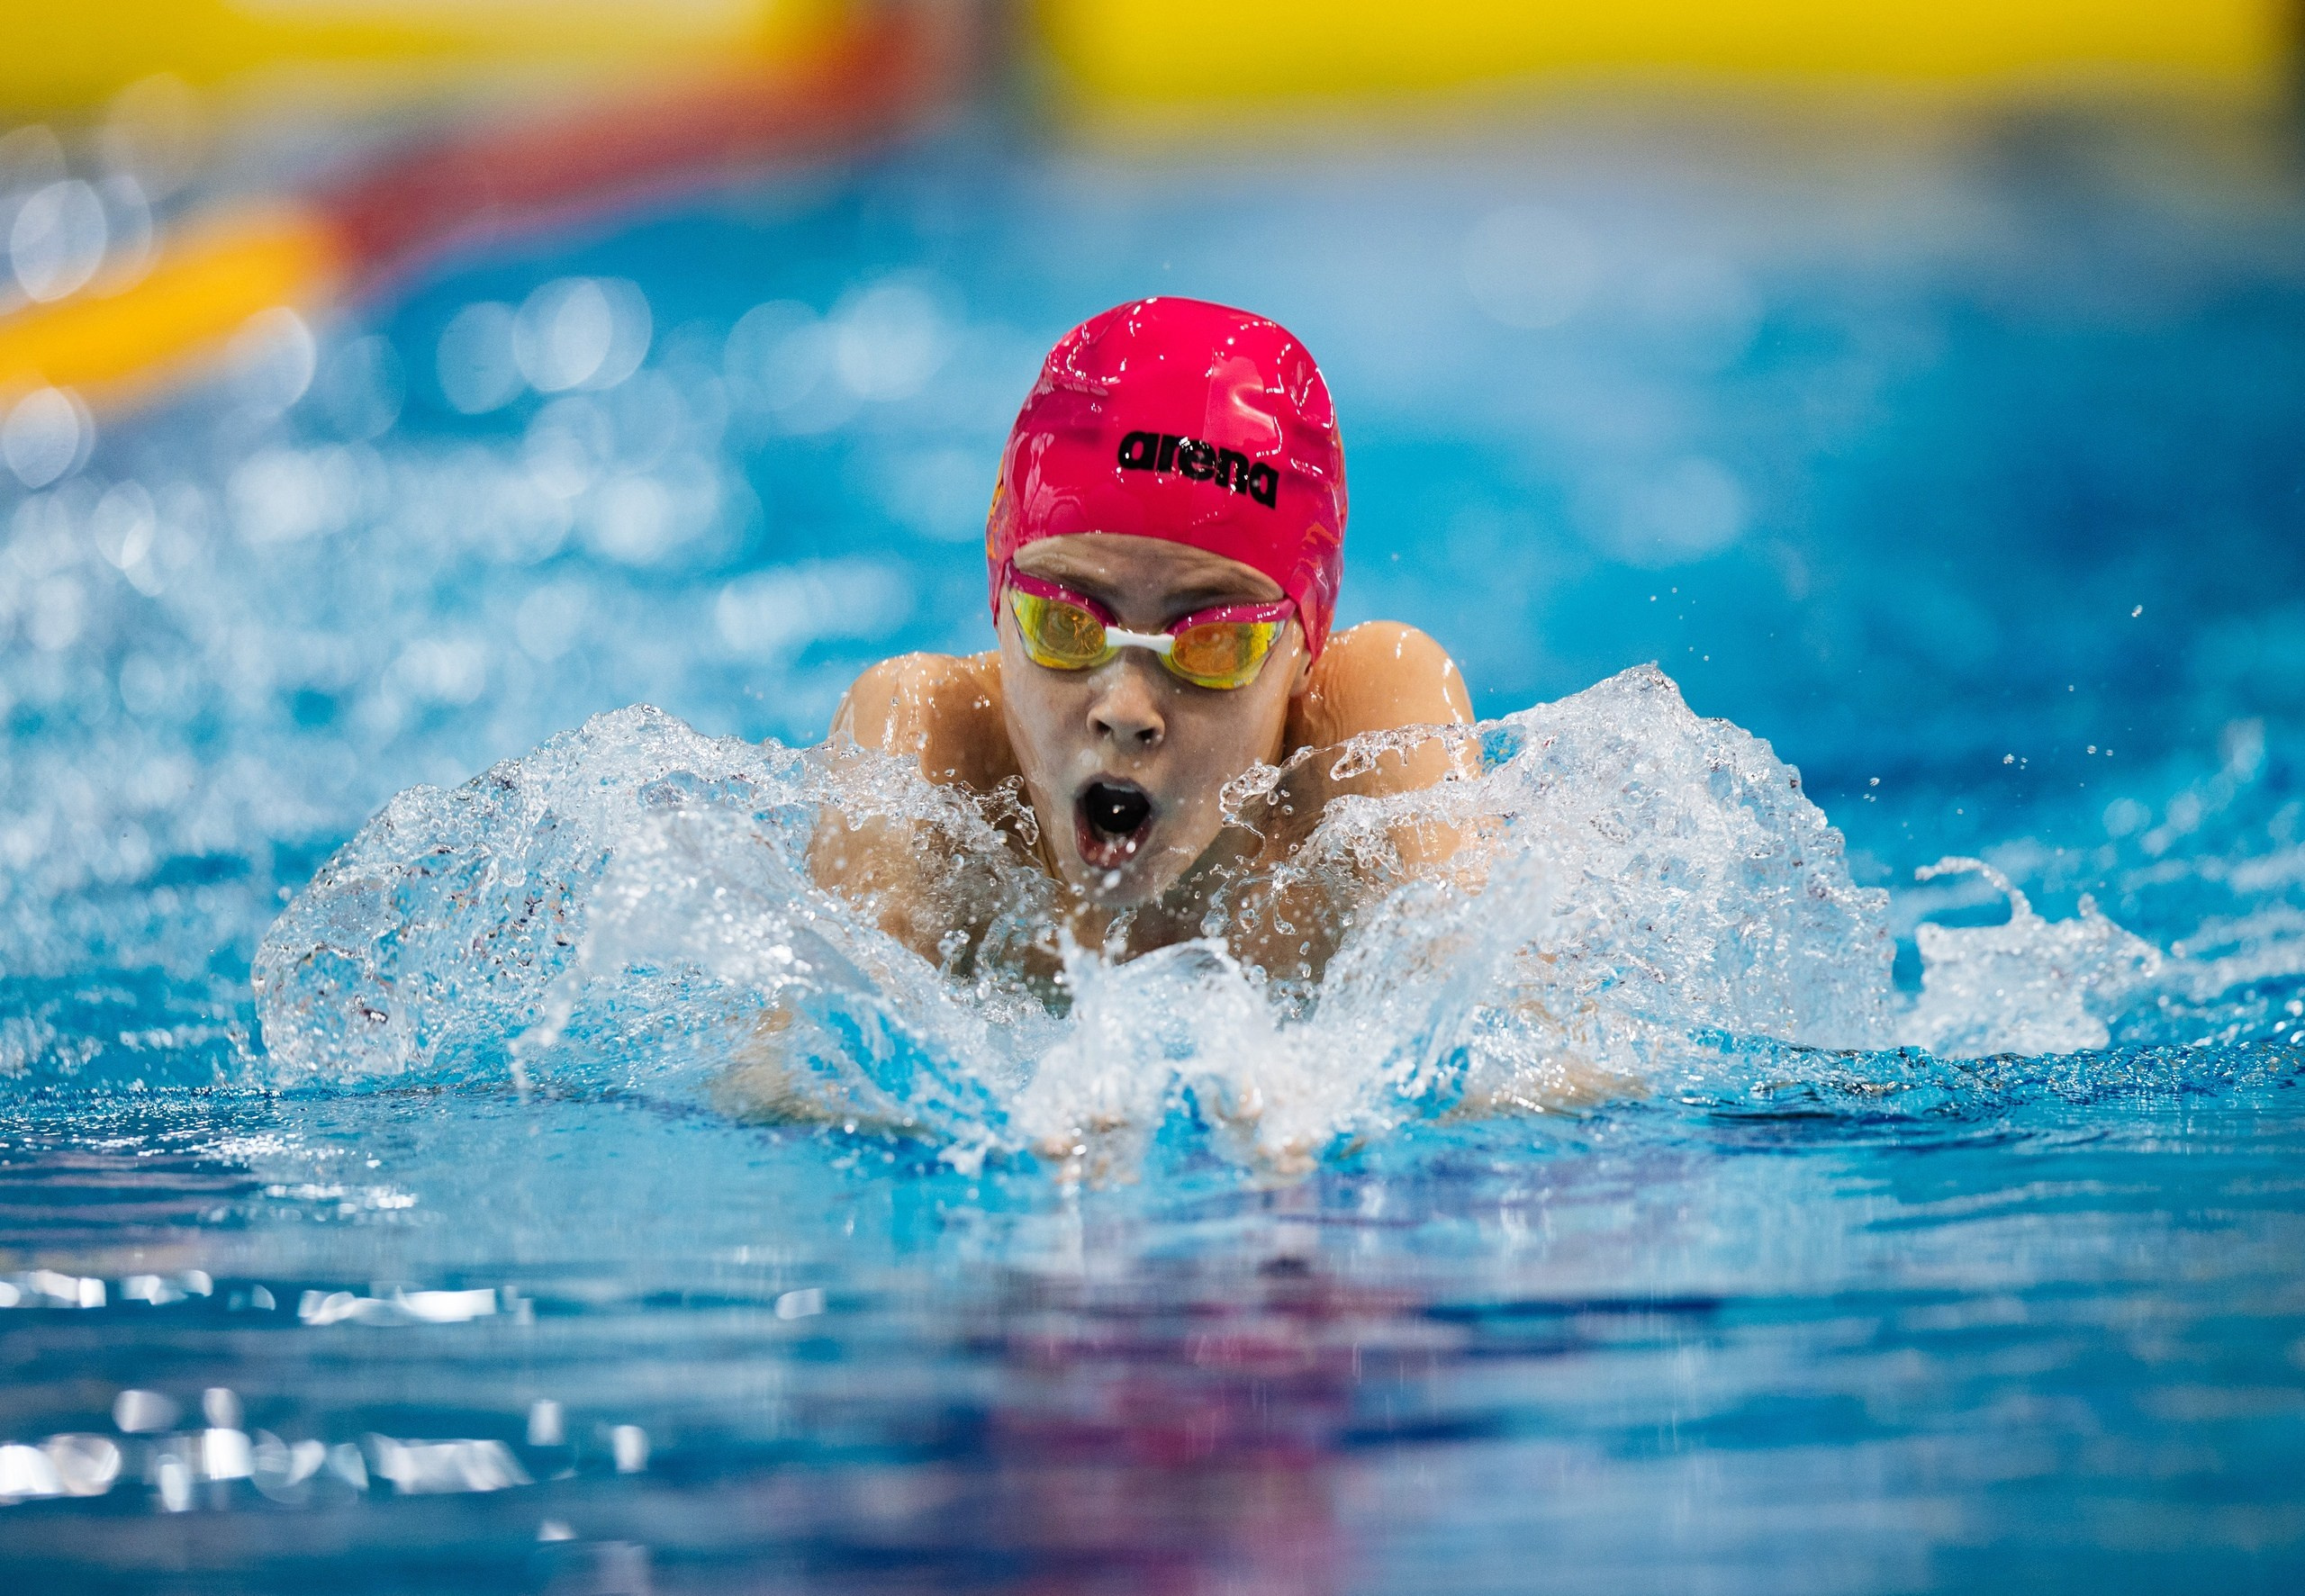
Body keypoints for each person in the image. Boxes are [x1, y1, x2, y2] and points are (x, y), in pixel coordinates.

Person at [810, 297, 1473, 990]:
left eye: (1215, 642)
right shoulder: (928, 753)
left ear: (1308, 642)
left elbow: (1515, 1056)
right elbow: (798, 1077)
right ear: (1000, 599)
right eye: (1065, 624)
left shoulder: (1365, 744)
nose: (1125, 709)